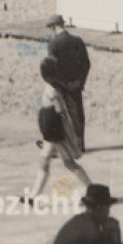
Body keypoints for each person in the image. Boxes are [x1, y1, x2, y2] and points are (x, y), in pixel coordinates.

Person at [28, 57, 93, 202]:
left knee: (66, 162)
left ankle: (92, 191)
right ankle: (33, 196)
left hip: (55, 132)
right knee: (47, 160)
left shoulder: (53, 91)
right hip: (52, 131)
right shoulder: (55, 87)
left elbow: (60, 111)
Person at [44, 184, 123, 244]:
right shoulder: (91, 232)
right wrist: (115, 233)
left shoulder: (78, 221)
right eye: (108, 207)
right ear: (100, 207)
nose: (108, 213)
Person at [45, 14, 91, 149]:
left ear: (53, 28)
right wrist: (80, 81)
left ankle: (63, 147)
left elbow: (52, 67)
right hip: (76, 84)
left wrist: (56, 83)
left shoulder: (53, 44)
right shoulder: (77, 41)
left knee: (59, 115)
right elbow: (86, 63)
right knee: (77, 114)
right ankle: (80, 144)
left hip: (61, 85)